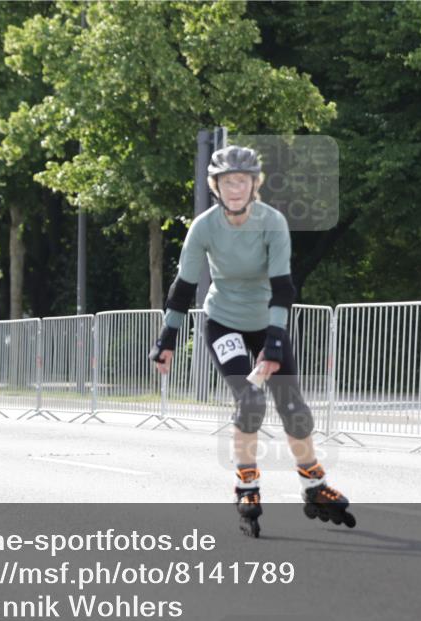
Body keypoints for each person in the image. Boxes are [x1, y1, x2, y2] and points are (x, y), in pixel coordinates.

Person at [149, 145, 354, 537]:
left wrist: (274, 341)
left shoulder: (272, 222)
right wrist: (167, 338)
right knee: (250, 401)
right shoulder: (204, 227)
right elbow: (182, 288)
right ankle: (246, 487)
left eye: (242, 180)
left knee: (293, 407)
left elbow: (282, 287)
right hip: (223, 321)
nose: (235, 188)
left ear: (254, 184)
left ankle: (314, 486)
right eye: (227, 181)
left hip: (267, 322)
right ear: (216, 186)